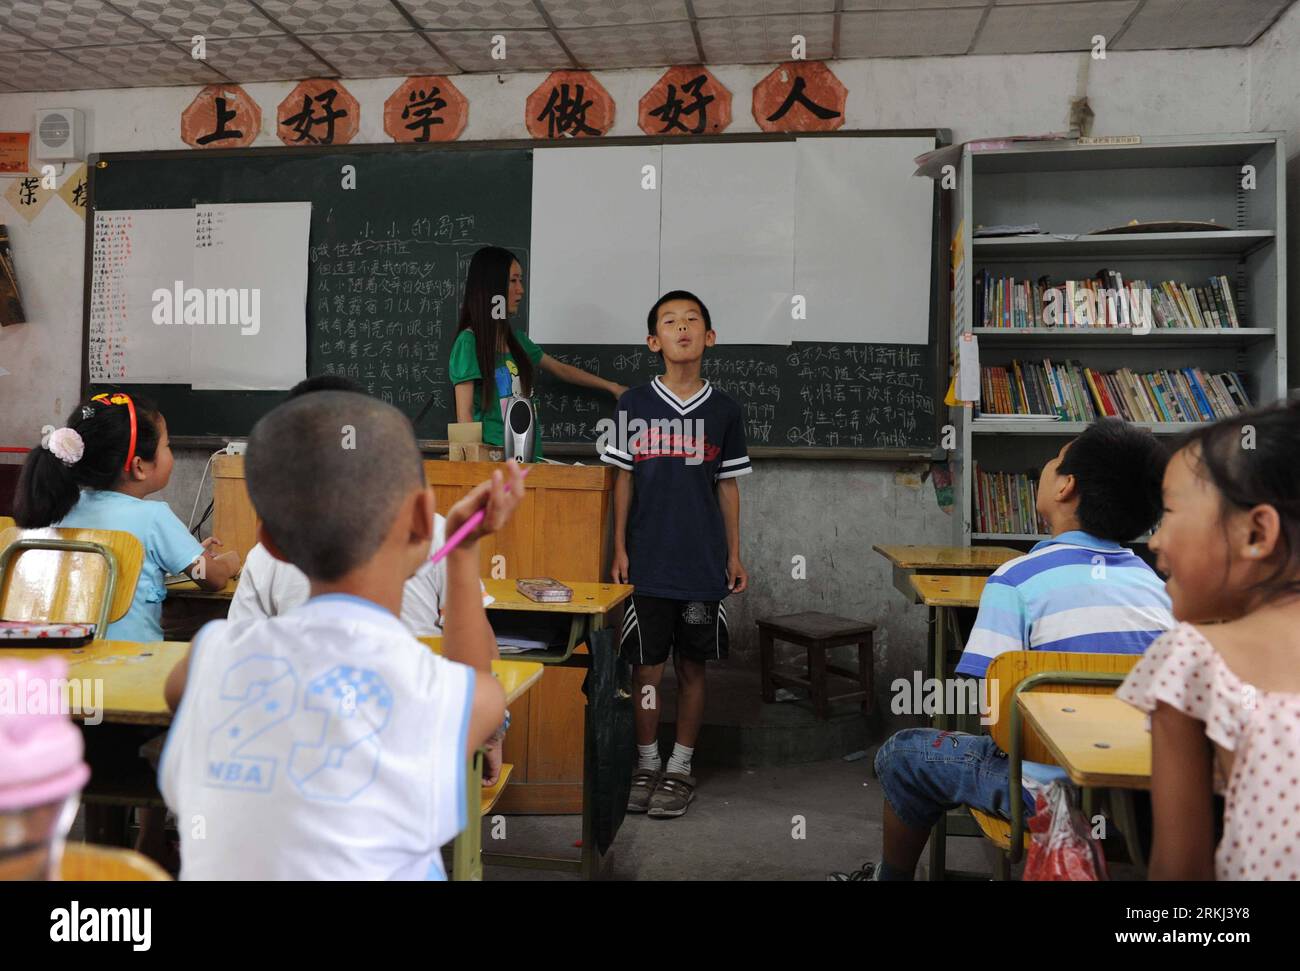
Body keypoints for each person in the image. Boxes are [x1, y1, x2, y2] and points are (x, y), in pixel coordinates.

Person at [160, 390, 523, 879]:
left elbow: (177, 690)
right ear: (422, 520)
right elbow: (483, 691)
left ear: (270, 543)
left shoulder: (209, 659)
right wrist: (461, 549)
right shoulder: (442, 693)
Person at [836, 418, 1174, 880]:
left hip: (1044, 793)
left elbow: (995, 719)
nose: (1047, 468)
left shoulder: (1016, 578)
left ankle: (888, 879)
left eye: (1054, 462)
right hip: (1145, 795)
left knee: (903, 753)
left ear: (1066, 487)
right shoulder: (1157, 587)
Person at [1118, 401, 1300, 880]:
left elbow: (1179, 875)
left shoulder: (1192, 658)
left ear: (1257, 532)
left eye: (1169, 512)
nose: (1154, 541)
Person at [601, 290, 751, 819]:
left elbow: (728, 487)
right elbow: (622, 479)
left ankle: (680, 767)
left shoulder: (725, 410)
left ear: (709, 337)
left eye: (692, 321)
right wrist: (618, 547)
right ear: (653, 340)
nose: (681, 328)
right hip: (647, 560)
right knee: (645, 668)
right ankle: (646, 763)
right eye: (669, 321)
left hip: (701, 563)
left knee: (692, 667)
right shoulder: (634, 405)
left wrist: (734, 554)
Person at [14, 391, 239, 640]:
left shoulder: (56, 510)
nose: (169, 453)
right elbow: (214, 579)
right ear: (139, 466)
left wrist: (186, 553)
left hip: (65, 663)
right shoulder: (153, 517)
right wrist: (228, 563)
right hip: (134, 662)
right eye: (167, 446)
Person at [449, 246, 626, 458]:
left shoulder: (517, 341)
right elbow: (464, 416)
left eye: (520, 281)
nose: (520, 290)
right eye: (513, 281)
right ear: (492, 286)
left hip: (529, 457)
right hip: (494, 463)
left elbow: (561, 369)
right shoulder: (469, 343)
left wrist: (612, 387)